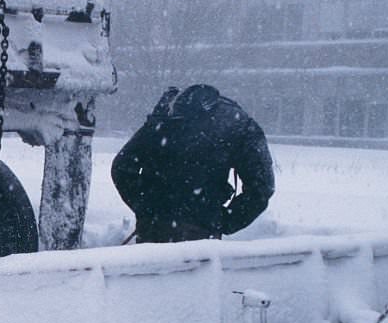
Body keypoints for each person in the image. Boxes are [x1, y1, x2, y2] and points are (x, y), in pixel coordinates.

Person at [111, 84, 275, 243]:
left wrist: (147, 207)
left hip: (152, 227)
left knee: (151, 270)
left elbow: (122, 166)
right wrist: (224, 220)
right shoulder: (238, 124)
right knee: (195, 271)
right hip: (202, 231)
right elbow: (261, 186)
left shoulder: (165, 116)